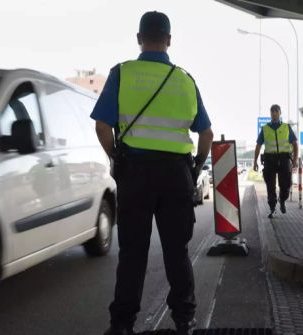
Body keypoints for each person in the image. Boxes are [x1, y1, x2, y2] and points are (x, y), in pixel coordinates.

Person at [90, 11, 214, 335]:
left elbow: (102, 126)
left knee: (132, 254)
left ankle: (122, 325)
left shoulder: (122, 73)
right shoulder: (185, 79)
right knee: (177, 252)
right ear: (169, 41)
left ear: (139, 39)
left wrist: (117, 158)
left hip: (136, 174)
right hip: (176, 175)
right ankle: (185, 321)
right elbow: (207, 134)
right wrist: (196, 167)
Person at [253, 104, 299, 218]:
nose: (274, 114)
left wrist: (295, 160)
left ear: (280, 113)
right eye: (272, 112)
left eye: (276, 111)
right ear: (270, 113)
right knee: (270, 185)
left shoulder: (286, 127)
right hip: (270, 160)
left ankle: (282, 200)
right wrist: (254, 161)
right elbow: (258, 145)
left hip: (284, 159)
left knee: (286, 184)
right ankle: (272, 208)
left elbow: (295, 144)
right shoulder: (265, 129)